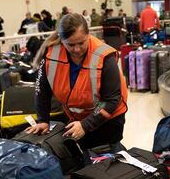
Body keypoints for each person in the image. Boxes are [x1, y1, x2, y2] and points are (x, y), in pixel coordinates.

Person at [30, 13, 128, 159]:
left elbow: (110, 100)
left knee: (108, 161)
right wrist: (43, 120)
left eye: (81, 43)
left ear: (88, 36)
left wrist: (86, 124)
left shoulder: (104, 56)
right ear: (62, 41)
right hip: (77, 118)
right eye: (70, 44)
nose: (77, 49)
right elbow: (42, 91)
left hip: (108, 119)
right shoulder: (51, 55)